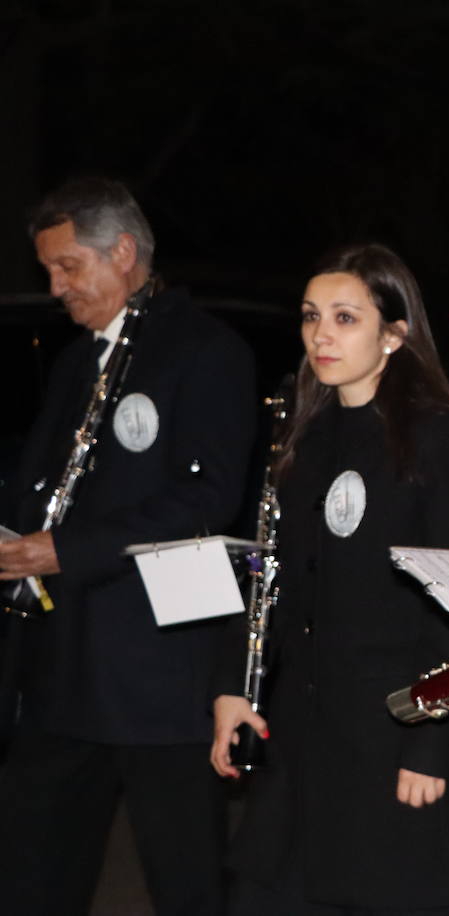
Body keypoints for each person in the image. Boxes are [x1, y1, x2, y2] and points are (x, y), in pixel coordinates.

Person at [210, 244, 449, 915]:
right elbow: (268, 577)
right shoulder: (302, 437)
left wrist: (430, 742)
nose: (321, 335)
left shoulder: (437, 438)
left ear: (395, 333)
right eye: (311, 317)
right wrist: (231, 687)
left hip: (392, 736)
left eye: (345, 318)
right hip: (302, 741)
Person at [0, 176, 256, 914]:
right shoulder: (80, 359)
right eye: (48, 269)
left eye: (67, 267)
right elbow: (42, 483)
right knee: (31, 866)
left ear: (120, 252)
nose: (55, 287)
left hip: (159, 669)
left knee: (183, 874)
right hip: (62, 664)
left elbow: (205, 500)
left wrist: (68, 551)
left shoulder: (204, 349)